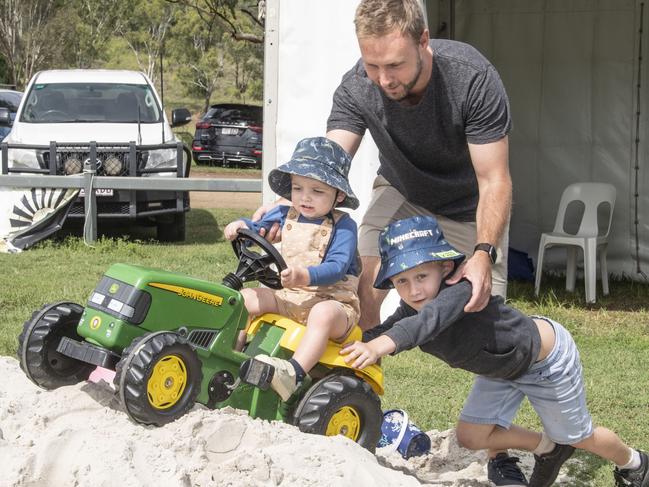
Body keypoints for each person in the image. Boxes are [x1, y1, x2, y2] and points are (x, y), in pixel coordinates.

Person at [340, 215, 649, 487]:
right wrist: (347, 338)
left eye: (422, 276)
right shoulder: (412, 307)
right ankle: (548, 449)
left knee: (579, 436)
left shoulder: (459, 290)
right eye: (402, 281)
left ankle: (635, 464)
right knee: (470, 435)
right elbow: (386, 329)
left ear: (445, 267)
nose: (414, 290)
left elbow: (426, 324)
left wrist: (377, 346)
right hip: (499, 368)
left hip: (544, 361)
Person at [224, 136, 361, 401]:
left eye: (317, 191)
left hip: (333, 301)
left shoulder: (344, 225)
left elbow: (337, 266)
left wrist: (304, 275)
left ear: (339, 194)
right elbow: (257, 227)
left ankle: (292, 373)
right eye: (298, 189)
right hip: (288, 296)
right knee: (246, 298)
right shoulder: (286, 213)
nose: (305, 197)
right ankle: (231, 354)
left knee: (321, 314)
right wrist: (240, 225)